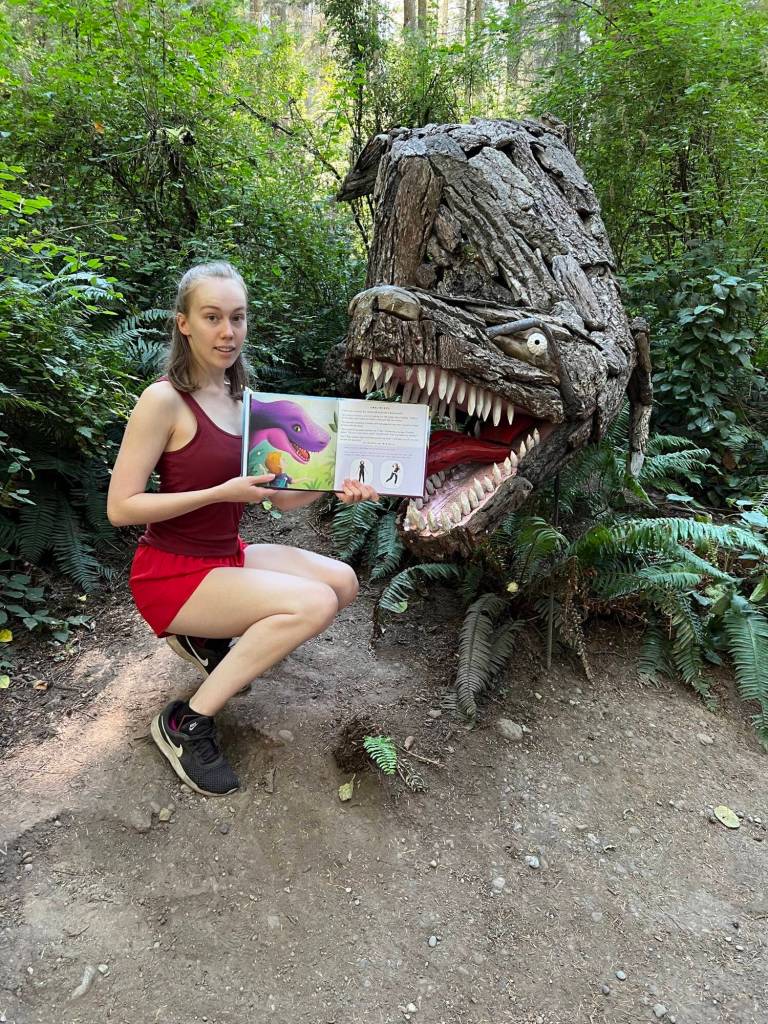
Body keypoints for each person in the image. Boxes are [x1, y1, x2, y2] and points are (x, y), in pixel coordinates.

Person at [107, 261, 379, 797]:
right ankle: (186, 724)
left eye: (237, 317)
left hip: (224, 556)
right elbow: (122, 507)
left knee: (342, 582)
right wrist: (218, 493)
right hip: (170, 572)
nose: (227, 332)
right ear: (183, 323)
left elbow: (280, 498)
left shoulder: (246, 401)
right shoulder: (163, 400)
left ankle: (206, 634)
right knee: (312, 604)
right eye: (212, 317)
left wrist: (334, 485)